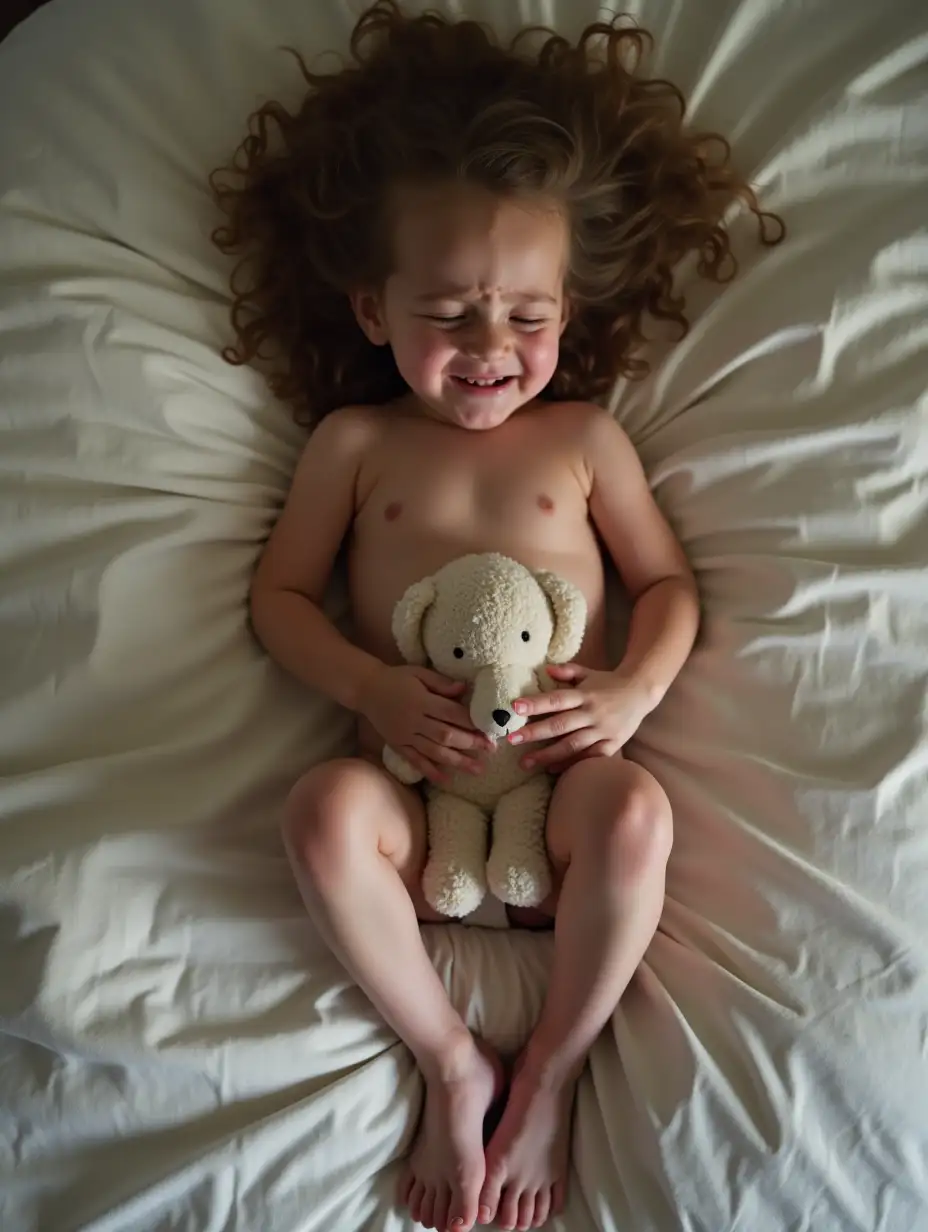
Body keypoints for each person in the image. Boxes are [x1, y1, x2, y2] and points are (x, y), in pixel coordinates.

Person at [211, 4, 782, 1229]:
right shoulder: (354, 444)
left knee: (636, 810)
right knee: (319, 811)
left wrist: (629, 689)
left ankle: (553, 1073)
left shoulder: (582, 440)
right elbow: (282, 597)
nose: (490, 346)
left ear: (567, 311)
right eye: (449, 313)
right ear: (373, 309)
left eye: (526, 315)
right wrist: (366, 690)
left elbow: (669, 585)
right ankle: (445, 1056)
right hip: (416, 799)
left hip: (557, 793)